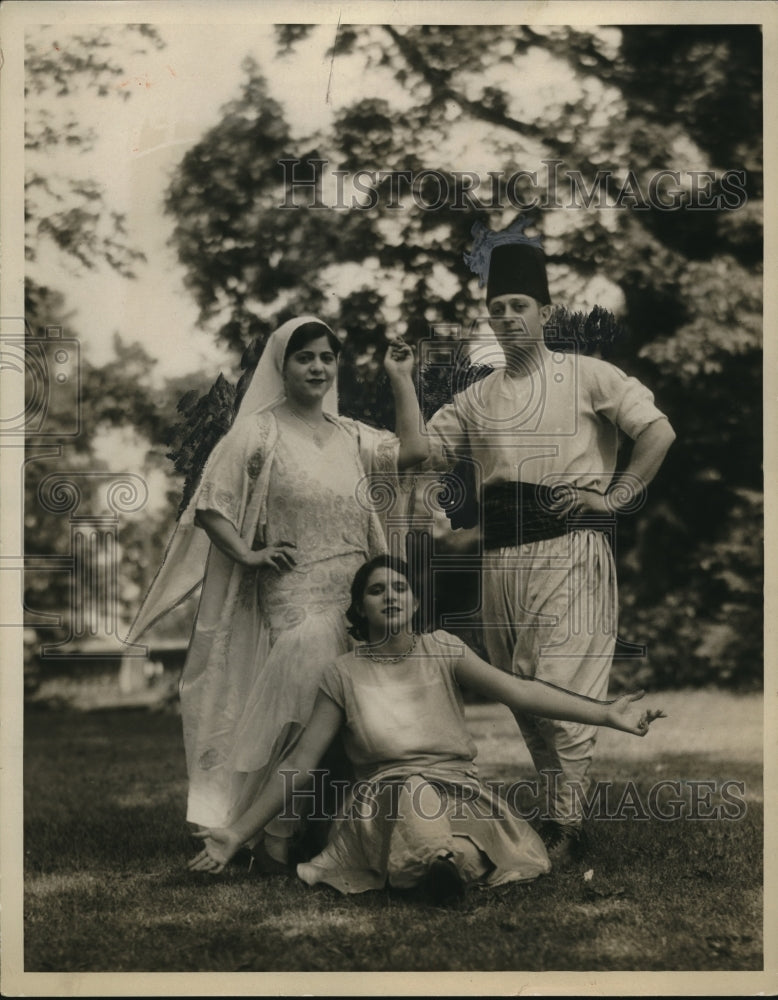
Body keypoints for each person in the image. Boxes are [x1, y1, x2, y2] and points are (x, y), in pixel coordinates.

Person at [188, 556, 665, 904]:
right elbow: (298, 763)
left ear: (415, 602)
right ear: (359, 608)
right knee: (417, 797)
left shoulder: (444, 650)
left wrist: (605, 713)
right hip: (383, 801)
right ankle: (440, 864)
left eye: (400, 587)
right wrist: (236, 832)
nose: (390, 595)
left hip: (460, 790)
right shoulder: (342, 674)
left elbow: (521, 691)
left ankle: (434, 868)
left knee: (444, 830)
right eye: (377, 590)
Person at [128, 316, 427, 869]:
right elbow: (210, 505)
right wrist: (247, 553)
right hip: (297, 595)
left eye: (326, 358)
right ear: (281, 366)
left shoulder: (352, 436)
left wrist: (401, 378)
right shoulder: (258, 432)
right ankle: (274, 837)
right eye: (304, 357)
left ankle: (337, 832)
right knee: (305, 712)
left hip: (355, 597)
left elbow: (414, 453)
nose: (317, 367)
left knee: (357, 717)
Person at [422, 222, 676, 866]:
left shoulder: (587, 375)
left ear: (546, 312)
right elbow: (420, 455)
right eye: (497, 309)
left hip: (568, 548)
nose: (508, 319)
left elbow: (658, 432)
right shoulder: (476, 397)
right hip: (500, 560)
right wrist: (439, 519)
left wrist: (616, 497)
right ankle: (560, 811)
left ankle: (567, 825)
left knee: (563, 685)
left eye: (519, 307)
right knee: (522, 691)